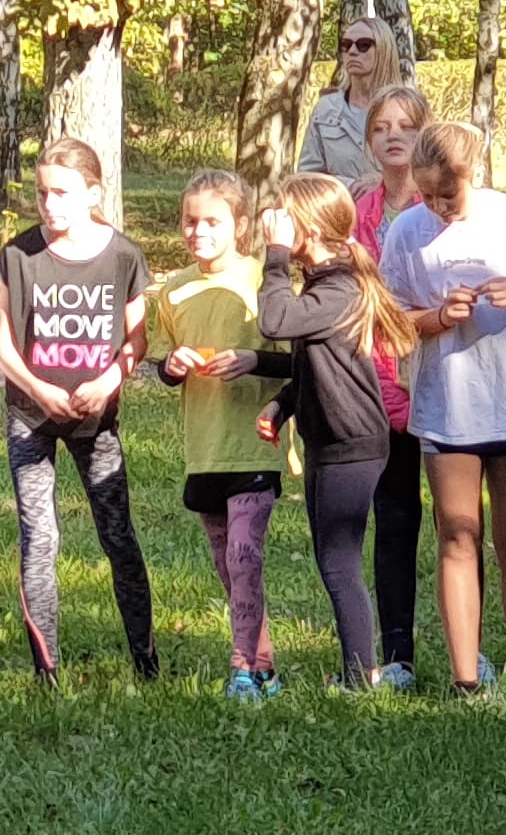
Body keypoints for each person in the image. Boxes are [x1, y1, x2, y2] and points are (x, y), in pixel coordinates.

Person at [383, 121, 506, 693]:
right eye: (426, 194)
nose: (436, 206)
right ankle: (466, 677)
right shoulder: (408, 231)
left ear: (473, 174)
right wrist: (436, 318)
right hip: (446, 407)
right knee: (457, 534)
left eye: (447, 194)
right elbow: (389, 322)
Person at [0, 137, 159, 685]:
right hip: (30, 417)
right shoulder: (17, 255)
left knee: (117, 535)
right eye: (42, 193)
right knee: (40, 538)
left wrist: (111, 377)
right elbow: (1, 346)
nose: (50, 204)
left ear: (93, 192)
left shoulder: (123, 256)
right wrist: (38, 388)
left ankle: (146, 659)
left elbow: (137, 339)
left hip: (96, 420)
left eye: (62, 193)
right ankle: (46, 669)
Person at [256, 172, 414, 693]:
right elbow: (314, 364)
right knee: (332, 558)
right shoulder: (327, 284)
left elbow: (275, 320)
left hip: (353, 444)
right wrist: (282, 408)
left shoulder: (340, 286)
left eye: (285, 217)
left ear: (311, 228)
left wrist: (275, 255)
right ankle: (356, 668)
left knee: (338, 559)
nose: (274, 224)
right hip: (330, 440)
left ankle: (359, 676)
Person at [145, 169, 278, 698]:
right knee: (229, 567)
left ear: (240, 225)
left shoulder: (265, 278)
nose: (198, 232)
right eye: (190, 222)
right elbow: (159, 362)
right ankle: (264, 663)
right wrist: (173, 365)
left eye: (212, 222)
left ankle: (244, 668)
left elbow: (296, 357)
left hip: (253, 441)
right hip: (203, 450)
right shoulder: (174, 289)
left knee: (246, 555)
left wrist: (252, 359)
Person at [350, 86, 435, 686]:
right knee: (395, 517)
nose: (392, 135)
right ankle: (398, 652)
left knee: (461, 525)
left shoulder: (441, 208)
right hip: (378, 385)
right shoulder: (356, 212)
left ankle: (470, 648)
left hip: (440, 380)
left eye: (405, 125)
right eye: (381, 127)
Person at [299, 16, 402, 185]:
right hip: (341, 207)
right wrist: (351, 185)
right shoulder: (326, 109)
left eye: (363, 45)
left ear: (384, 50)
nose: (352, 51)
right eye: (346, 45)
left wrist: (382, 181)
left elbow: (425, 170)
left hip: (394, 208)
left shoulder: (407, 108)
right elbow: (307, 176)